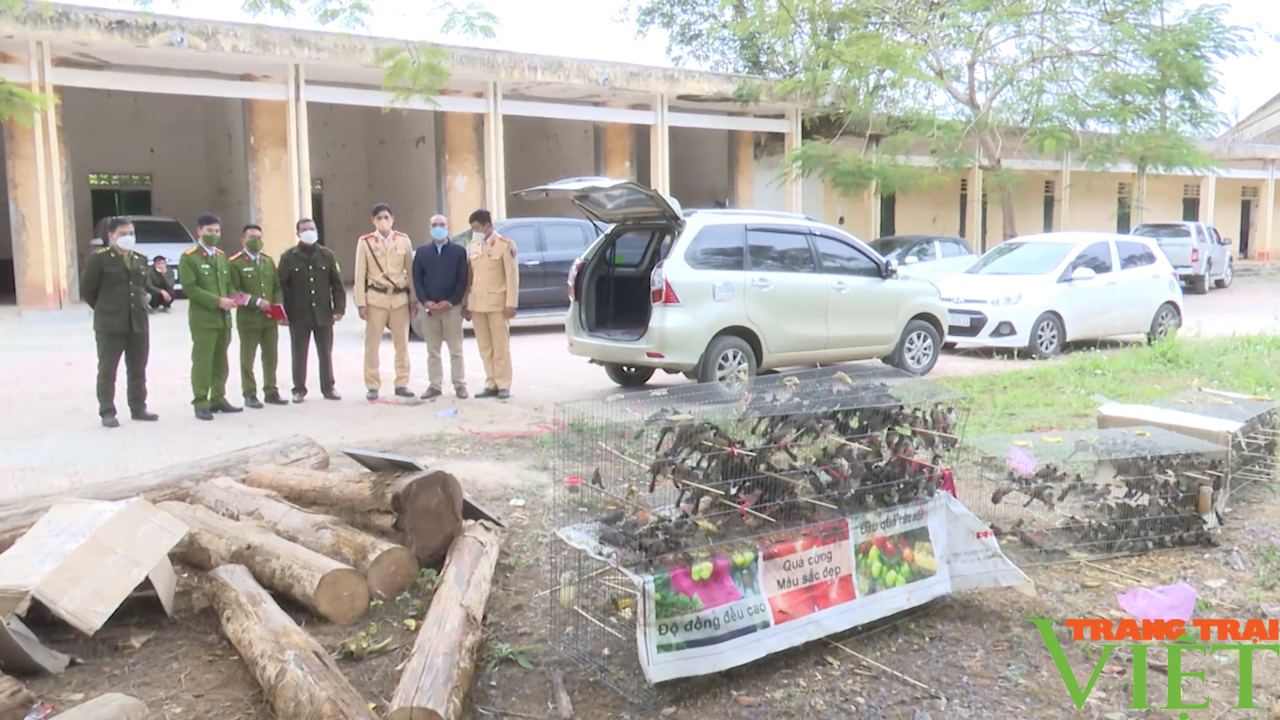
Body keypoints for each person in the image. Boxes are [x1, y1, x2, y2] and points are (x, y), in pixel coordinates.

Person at [80, 217, 159, 428]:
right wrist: (107, 307)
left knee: (138, 368)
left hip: (138, 322)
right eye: (123, 234)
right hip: (110, 323)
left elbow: (142, 287)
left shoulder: (140, 259)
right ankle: (107, 411)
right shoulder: (99, 259)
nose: (128, 238)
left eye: (131, 233)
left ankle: (138, 407)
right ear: (111, 236)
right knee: (108, 370)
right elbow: (88, 290)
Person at [178, 213, 241, 421]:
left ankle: (218, 397)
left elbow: (228, 284)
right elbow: (190, 288)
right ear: (199, 231)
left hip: (223, 319)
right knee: (203, 361)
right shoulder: (189, 257)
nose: (213, 234)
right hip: (204, 318)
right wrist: (217, 301)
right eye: (209, 231)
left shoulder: (221, 256)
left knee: (221, 361)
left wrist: (236, 297)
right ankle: (201, 402)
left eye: (217, 231)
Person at [354, 202, 417, 401]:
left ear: (393, 218)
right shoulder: (365, 242)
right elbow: (359, 274)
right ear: (373, 220)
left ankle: (402, 383)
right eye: (379, 218)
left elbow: (411, 272)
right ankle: (372, 385)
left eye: (386, 217)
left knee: (402, 344)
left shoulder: (403, 240)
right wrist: (361, 303)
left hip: (399, 298)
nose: (383, 221)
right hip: (376, 298)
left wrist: (413, 299)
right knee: (372, 344)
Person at [279, 218, 345, 403]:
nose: (309, 232)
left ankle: (328, 388)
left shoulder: (327, 255)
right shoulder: (288, 257)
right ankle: (299, 389)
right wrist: (282, 313)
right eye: (305, 229)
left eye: (312, 229)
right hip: (298, 314)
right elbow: (282, 287)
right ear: (298, 233)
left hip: (323, 313)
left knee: (325, 353)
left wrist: (339, 308)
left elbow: (337, 284)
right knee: (299, 353)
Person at [229, 224, 287, 408]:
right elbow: (232, 291)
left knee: (271, 356)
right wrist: (254, 302)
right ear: (243, 240)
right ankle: (249, 393)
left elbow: (276, 287)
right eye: (252, 237)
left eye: (259, 237)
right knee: (248, 358)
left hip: (269, 319)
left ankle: (271, 390)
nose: (257, 241)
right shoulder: (235, 263)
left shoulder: (267, 261)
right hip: (249, 319)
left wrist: (278, 306)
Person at [412, 214, 470, 399]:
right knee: (432, 351)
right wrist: (425, 301)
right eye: (434, 225)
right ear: (429, 228)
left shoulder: (459, 252)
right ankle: (435, 385)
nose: (438, 227)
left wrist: (451, 301)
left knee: (456, 350)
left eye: (442, 224)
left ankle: (459, 384)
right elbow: (417, 280)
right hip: (429, 309)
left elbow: (463, 280)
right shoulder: (421, 252)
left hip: (451, 308)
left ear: (448, 227)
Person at [464, 209, 518, 399]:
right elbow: (471, 277)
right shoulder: (473, 245)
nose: (475, 231)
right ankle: (491, 382)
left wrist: (511, 303)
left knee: (500, 346)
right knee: (485, 347)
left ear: (488, 226)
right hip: (477, 304)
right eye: (473, 228)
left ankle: (504, 384)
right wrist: (467, 303)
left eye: (478, 227)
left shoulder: (505, 245)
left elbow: (511, 277)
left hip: (497, 303)